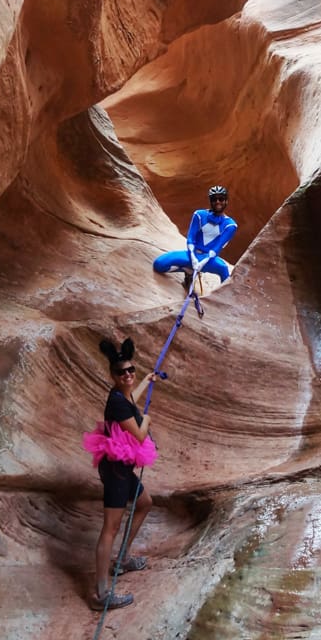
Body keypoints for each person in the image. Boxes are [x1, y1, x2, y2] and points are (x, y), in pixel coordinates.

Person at [81, 337, 157, 611]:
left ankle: (123, 560)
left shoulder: (120, 395)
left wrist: (146, 381)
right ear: (112, 375)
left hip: (121, 468)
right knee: (109, 529)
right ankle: (101, 594)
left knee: (145, 503)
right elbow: (138, 435)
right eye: (121, 372)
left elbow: (130, 399)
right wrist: (146, 420)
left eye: (131, 370)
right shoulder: (117, 403)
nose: (127, 375)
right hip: (116, 472)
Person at [153, 184, 237, 287]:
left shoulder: (230, 225)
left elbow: (217, 247)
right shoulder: (199, 215)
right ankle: (188, 271)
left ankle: (221, 299)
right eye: (214, 199)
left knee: (223, 270)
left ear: (226, 201)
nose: (218, 201)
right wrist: (193, 259)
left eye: (221, 199)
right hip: (192, 255)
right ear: (210, 201)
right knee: (159, 264)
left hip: (209, 259)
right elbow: (191, 238)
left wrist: (202, 263)